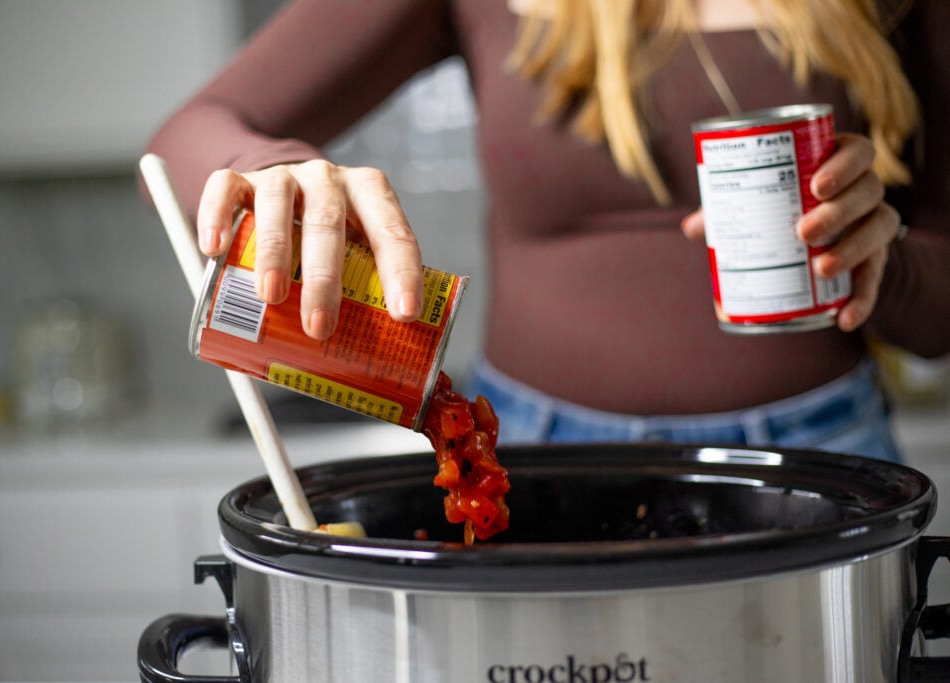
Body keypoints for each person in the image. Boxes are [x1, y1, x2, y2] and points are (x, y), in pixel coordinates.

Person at [145, 0, 950, 462]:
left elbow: (938, 318)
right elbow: (186, 133)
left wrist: (887, 266)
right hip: (527, 459)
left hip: (826, 456)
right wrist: (270, 166)